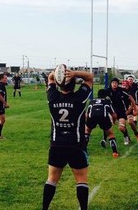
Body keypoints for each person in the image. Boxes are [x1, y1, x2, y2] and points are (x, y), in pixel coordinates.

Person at [42, 67, 93, 210]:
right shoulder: (79, 98)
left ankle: (44, 208)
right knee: (81, 179)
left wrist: (58, 74)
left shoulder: (52, 97)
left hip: (56, 144)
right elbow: (90, 77)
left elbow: (51, 78)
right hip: (76, 145)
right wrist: (75, 73)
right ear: (75, 84)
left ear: (59, 85)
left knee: (52, 179)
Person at [85, 89, 119, 158]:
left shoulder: (91, 101)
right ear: (105, 95)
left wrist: (87, 121)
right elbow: (114, 115)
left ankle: (83, 151)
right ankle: (115, 153)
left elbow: (86, 114)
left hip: (92, 117)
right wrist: (114, 121)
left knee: (87, 132)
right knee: (110, 134)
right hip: (103, 117)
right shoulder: (107, 102)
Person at [106, 77, 138, 145]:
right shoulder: (107, 91)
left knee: (121, 127)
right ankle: (105, 139)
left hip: (121, 112)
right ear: (111, 84)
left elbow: (131, 99)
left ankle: (126, 136)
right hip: (112, 112)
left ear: (118, 84)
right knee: (106, 126)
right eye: (113, 83)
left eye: (116, 83)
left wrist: (135, 109)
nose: (114, 84)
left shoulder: (121, 90)